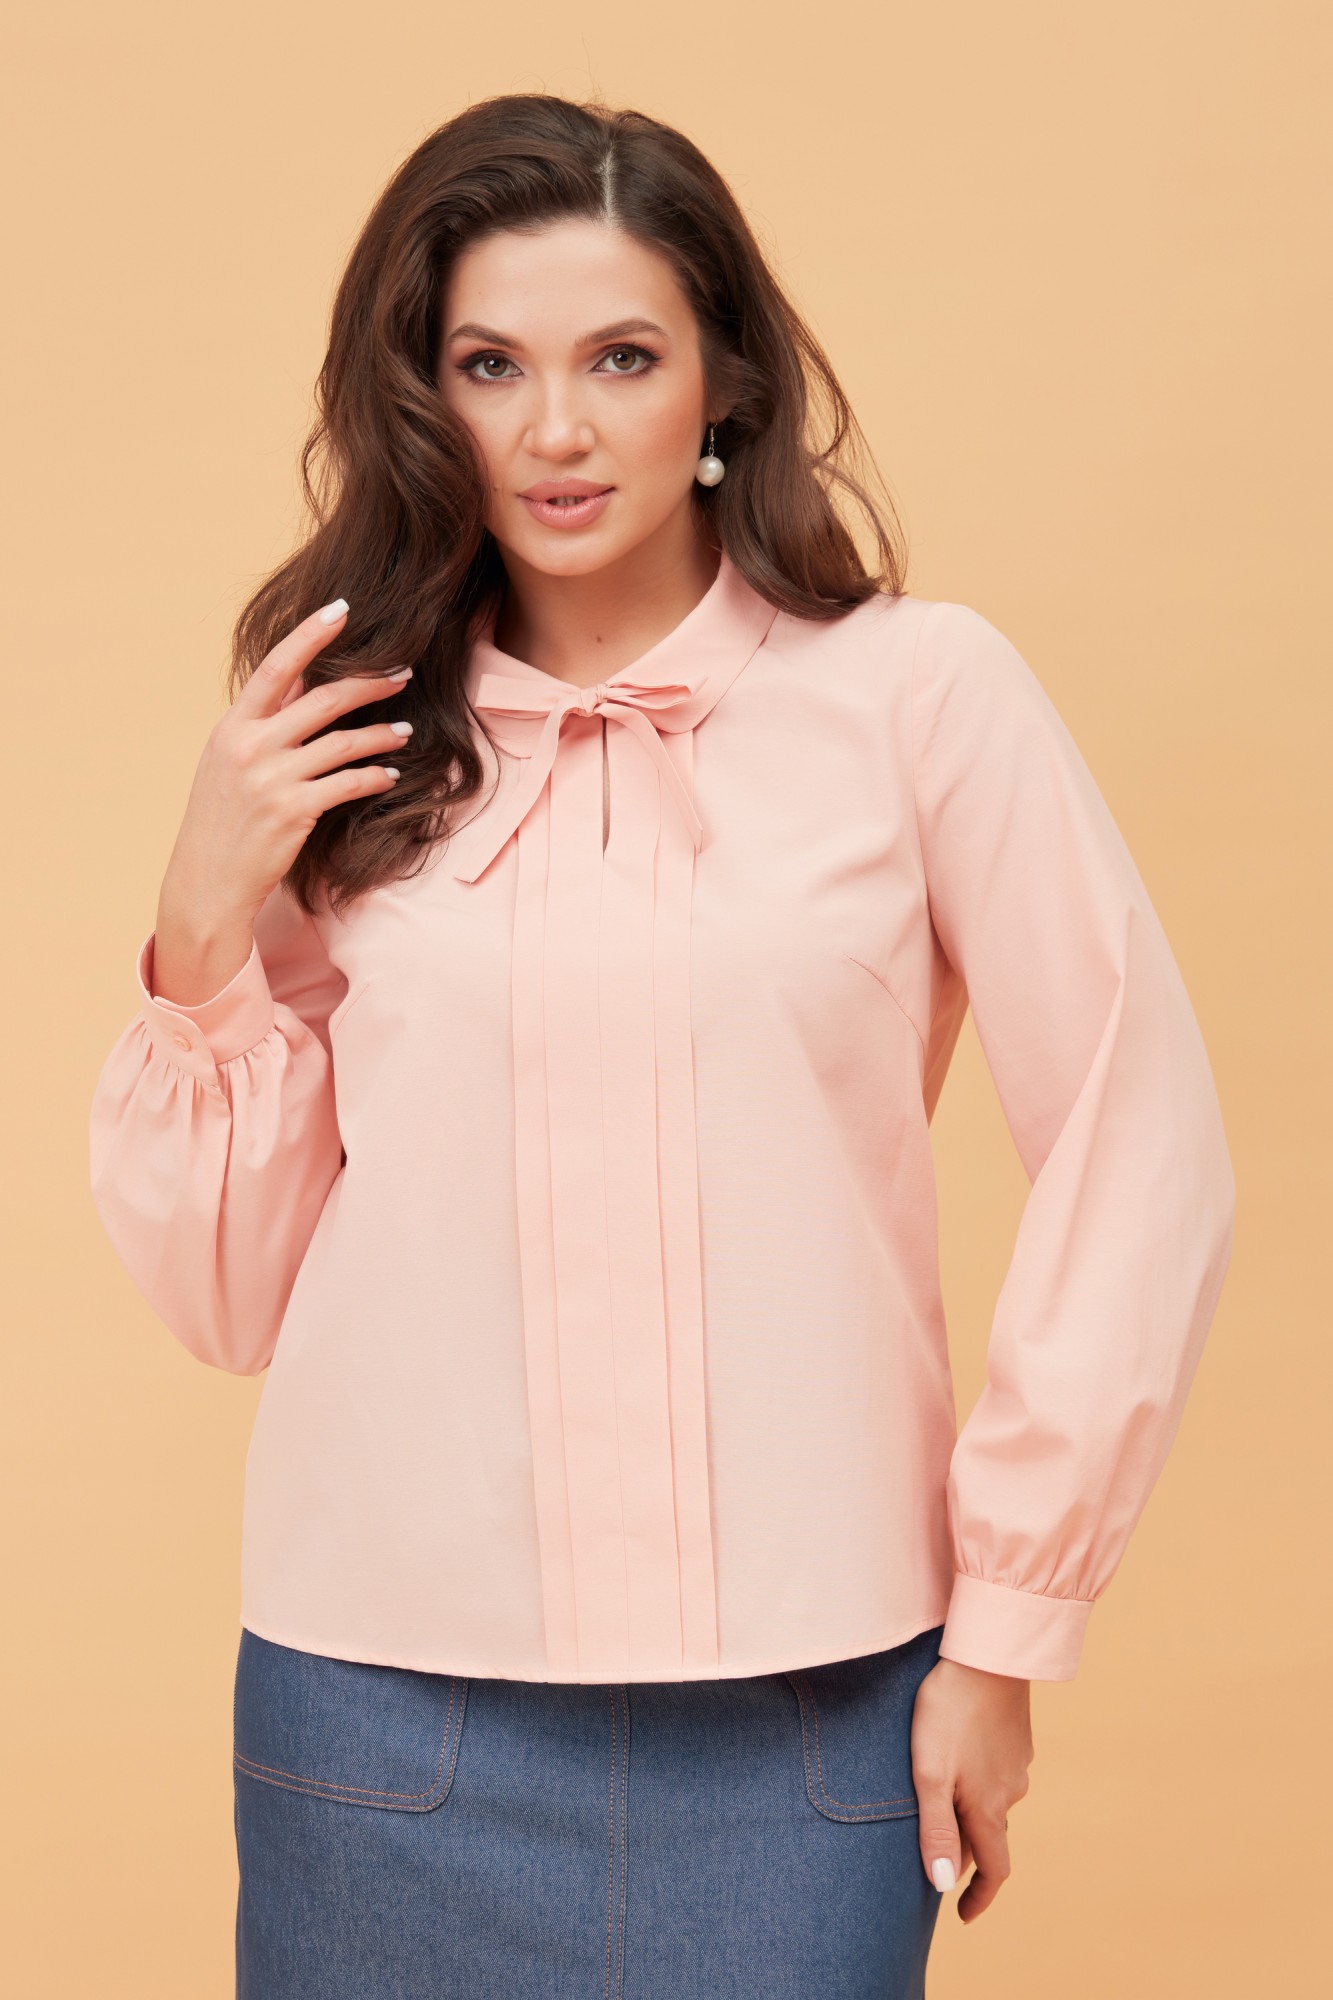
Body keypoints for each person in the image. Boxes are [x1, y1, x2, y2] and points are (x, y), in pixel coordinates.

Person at [87, 92, 1236, 2000]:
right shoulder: (344, 741)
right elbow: (226, 1299)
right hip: (381, 1717)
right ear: (421, 400)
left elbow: (1141, 1147)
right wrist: (204, 927)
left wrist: (1009, 1631)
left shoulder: (917, 698)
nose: (555, 429)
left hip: (816, 1714)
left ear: (722, 385)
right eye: (491, 365)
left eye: (619, 357)